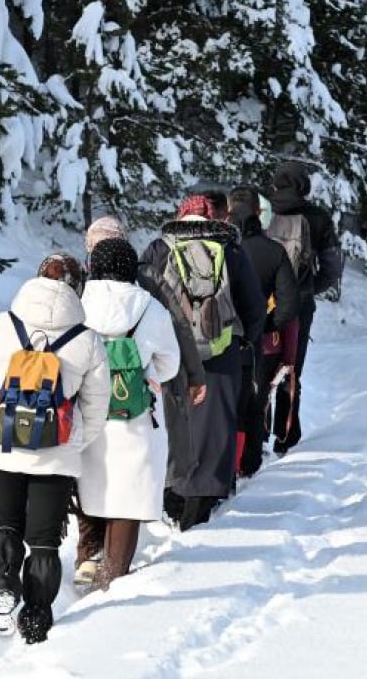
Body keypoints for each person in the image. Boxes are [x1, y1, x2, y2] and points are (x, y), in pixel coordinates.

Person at [0, 255, 110, 643]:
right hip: (55, 455)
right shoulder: (87, 340)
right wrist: (72, 441)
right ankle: (38, 615)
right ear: (78, 288)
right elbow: (96, 406)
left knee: (4, 524)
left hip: (1, 449)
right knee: (44, 539)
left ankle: (3, 586)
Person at [140, 195, 265, 530]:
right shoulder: (231, 250)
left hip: (172, 351)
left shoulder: (158, 249)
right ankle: (204, 498)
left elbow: (144, 298)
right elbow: (253, 306)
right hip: (222, 350)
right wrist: (244, 343)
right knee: (215, 425)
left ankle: (171, 494)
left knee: (174, 419)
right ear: (213, 217)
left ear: (180, 214)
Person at [74, 238, 181, 589]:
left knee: (88, 479)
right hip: (133, 413)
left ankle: (87, 557)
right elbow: (169, 365)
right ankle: (113, 573)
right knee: (128, 492)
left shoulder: (77, 304)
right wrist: (144, 374)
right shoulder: (152, 309)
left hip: (85, 409)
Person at [85, 217, 207, 522]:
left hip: (88, 391)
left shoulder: (82, 286)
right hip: (139, 387)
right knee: (141, 459)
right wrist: (193, 374)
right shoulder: (148, 278)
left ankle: (91, 539)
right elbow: (179, 323)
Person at [267, 162, 344, 455]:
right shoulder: (318, 218)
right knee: (291, 367)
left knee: (260, 367)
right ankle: (286, 434)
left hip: (263, 303)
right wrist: (311, 287)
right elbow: (332, 266)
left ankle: (255, 435)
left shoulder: (262, 213)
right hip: (299, 303)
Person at [227, 186, 298, 477]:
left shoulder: (220, 248)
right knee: (254, 403)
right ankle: (249, 462)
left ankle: (226, 464)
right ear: (258, 212)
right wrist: (269, 325)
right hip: (255, 339)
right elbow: (289, 302)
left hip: (217, 336)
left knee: (223, 404)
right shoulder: (274, 251)